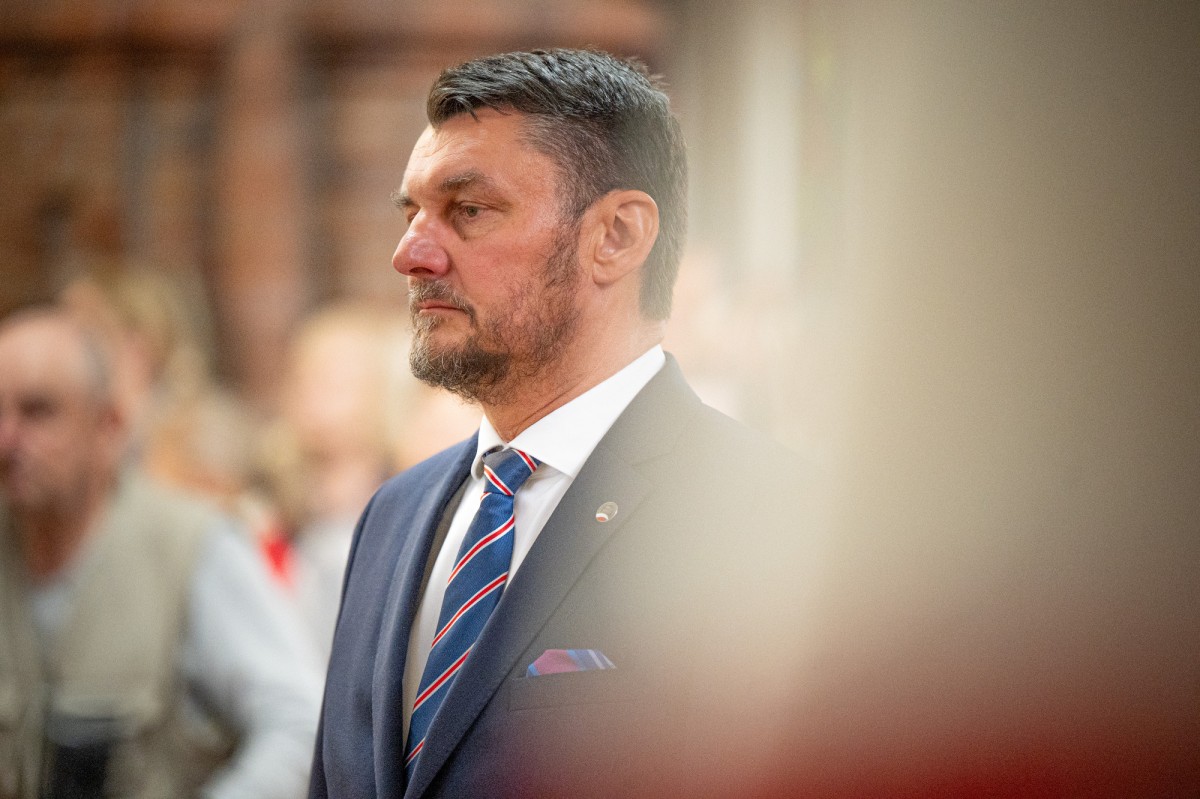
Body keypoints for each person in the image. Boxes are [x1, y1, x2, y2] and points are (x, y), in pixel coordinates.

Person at [309, 48, 806, 799]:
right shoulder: (394, 515)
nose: (410, 254)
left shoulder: (769, 514)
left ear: (617, 236)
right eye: (412, 214)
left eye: (468, 211)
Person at [0, 307, 323, 798]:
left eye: (38, 412)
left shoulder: (190, 546)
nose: (8, 440)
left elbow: (299, 724)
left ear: (108, 425)